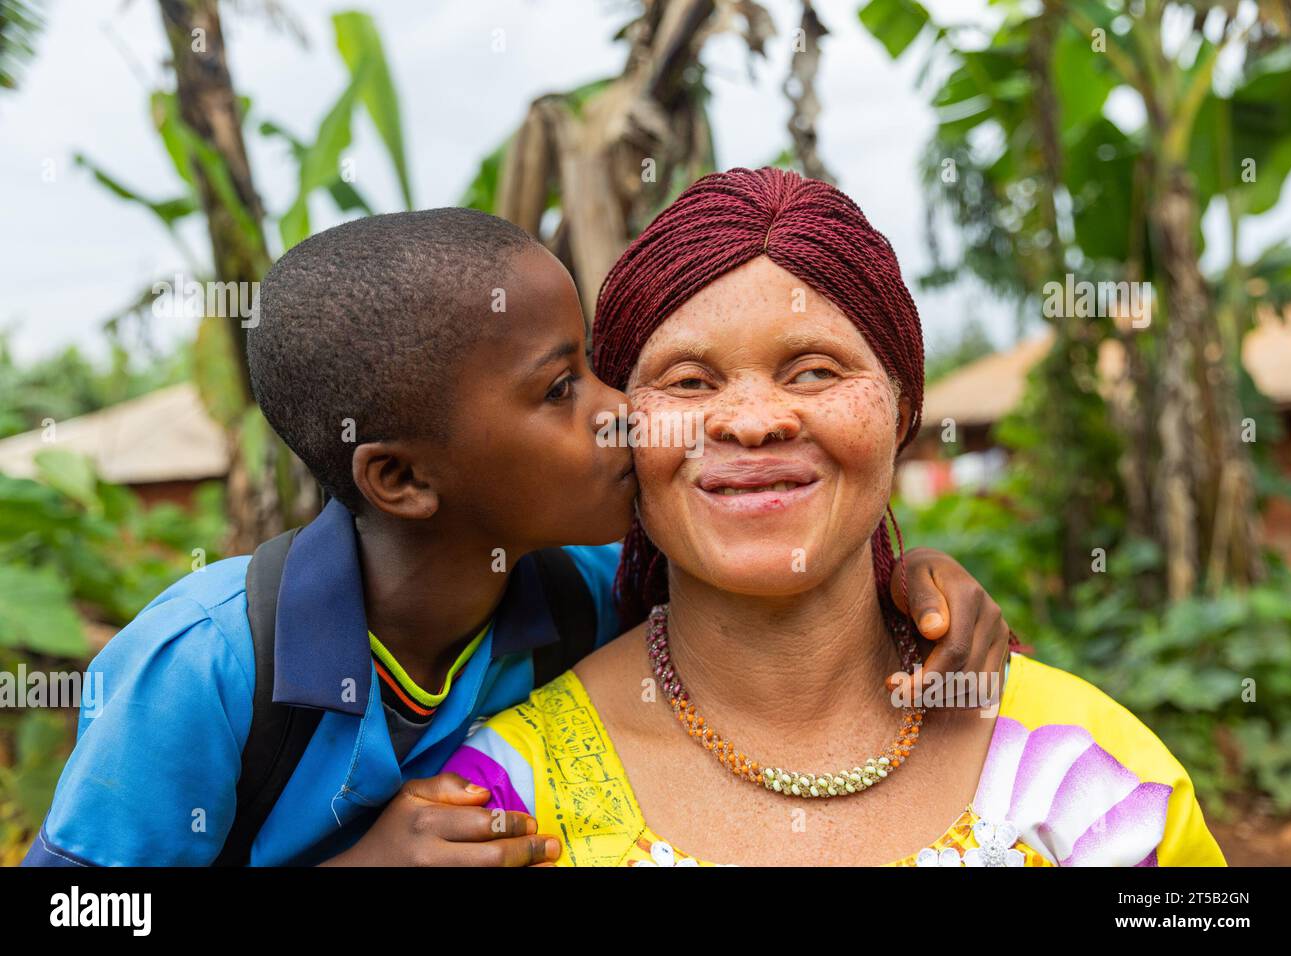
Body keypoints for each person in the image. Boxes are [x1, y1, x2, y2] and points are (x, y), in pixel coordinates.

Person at [24, 208, 1008, 867]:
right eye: (559, 387)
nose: (621, 410)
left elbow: (790, 589)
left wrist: (906, 576)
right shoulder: (207, 663)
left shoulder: (586, 595)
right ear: (403, 478)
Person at [446, 168, 1228, 867]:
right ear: (623, 434)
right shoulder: (501, 806)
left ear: (901, 413)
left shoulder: (1089, 778)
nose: (752, 422)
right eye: (687, 382)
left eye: (815, 371)